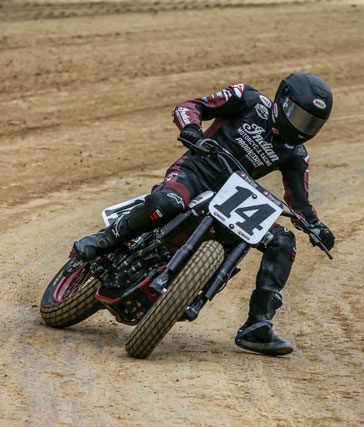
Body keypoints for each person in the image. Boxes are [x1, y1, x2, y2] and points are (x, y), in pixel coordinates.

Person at [74, 72, 335, 356]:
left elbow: (300, 202)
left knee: (282, 241)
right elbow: (190, 106)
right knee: (169, 202)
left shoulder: (296, 154)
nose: (303, 128)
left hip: (235, 197)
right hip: (195, 173)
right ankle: (104, 239)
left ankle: (257, 325)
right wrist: (191, 129)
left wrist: (315, 226)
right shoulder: (248, 99)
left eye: (312, 123)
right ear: (283, 101)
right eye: (299, 117)